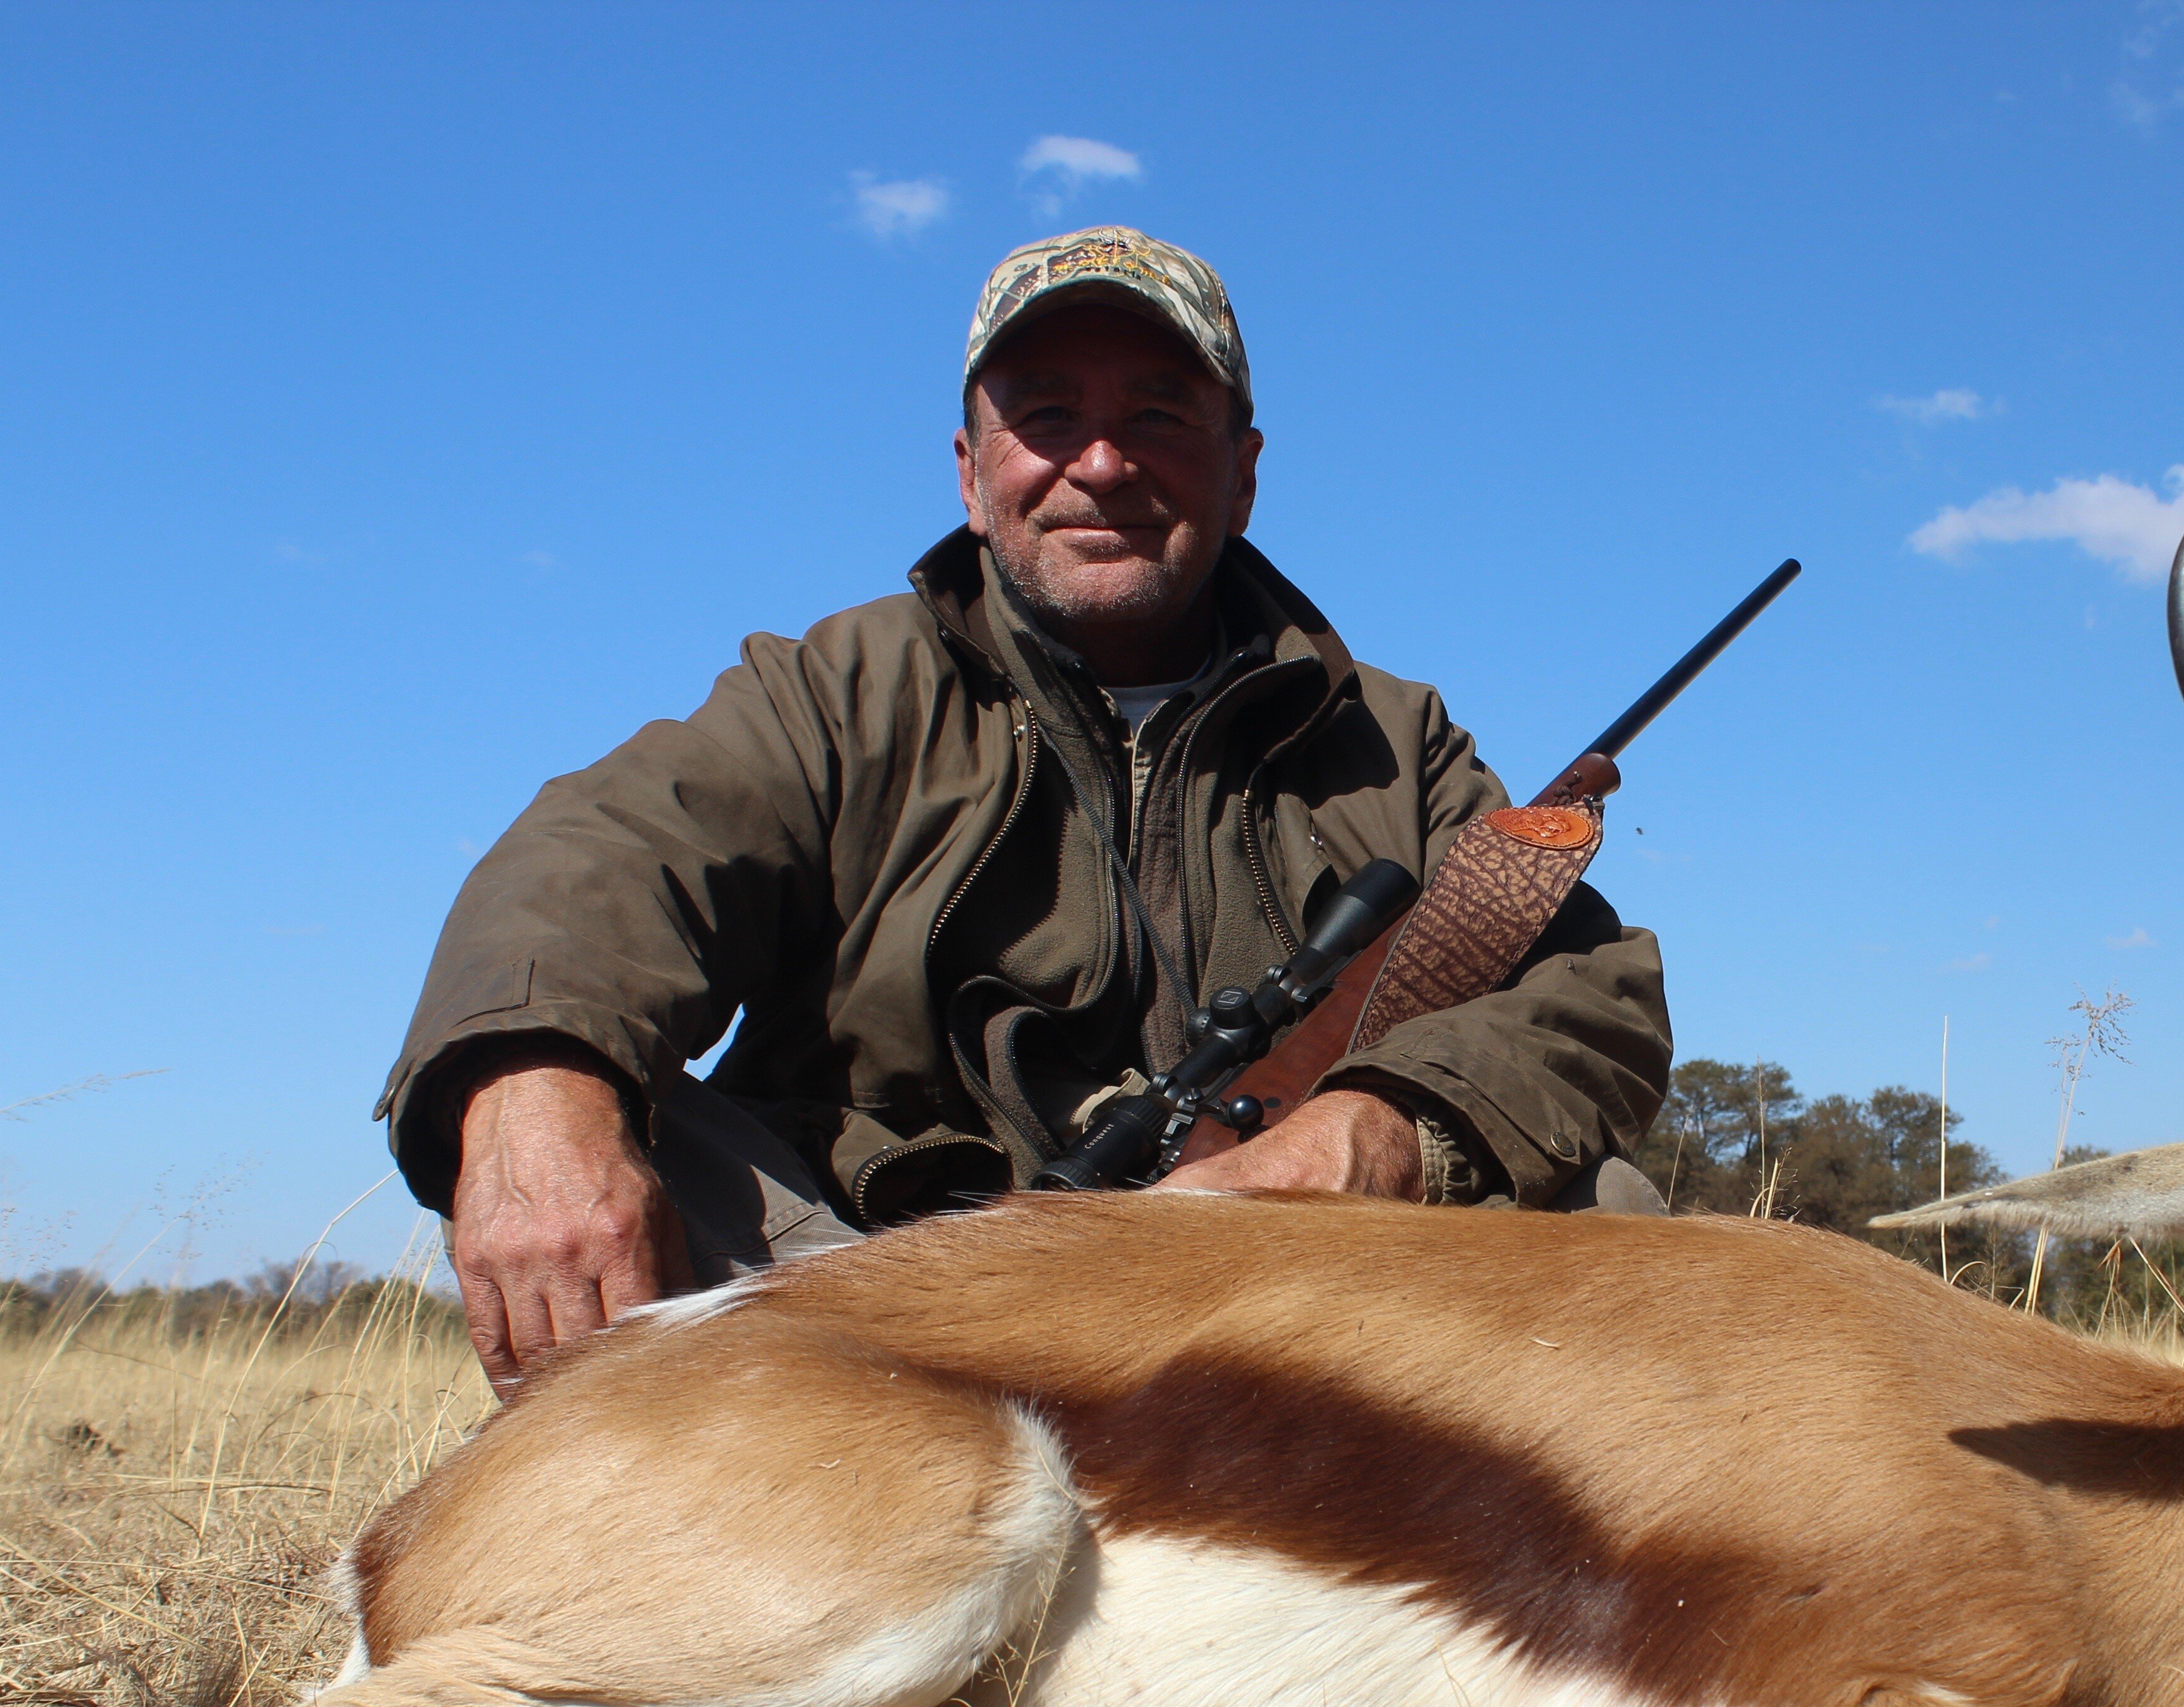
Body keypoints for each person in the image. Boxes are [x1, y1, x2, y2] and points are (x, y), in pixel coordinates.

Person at [380, 227, 1672, 1394]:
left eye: (1161, 414)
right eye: (1045, 414)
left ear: (1244, 472)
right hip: (874, 1304)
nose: (1099, 462)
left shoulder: (1396, 739)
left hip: (1272, 1298)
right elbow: (609, 852)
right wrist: (531, 1094)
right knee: (601, 1113)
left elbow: (1587, 993)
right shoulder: (835, 689)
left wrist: (1369, 1138)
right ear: (971, 470)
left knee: (1607, 1206)